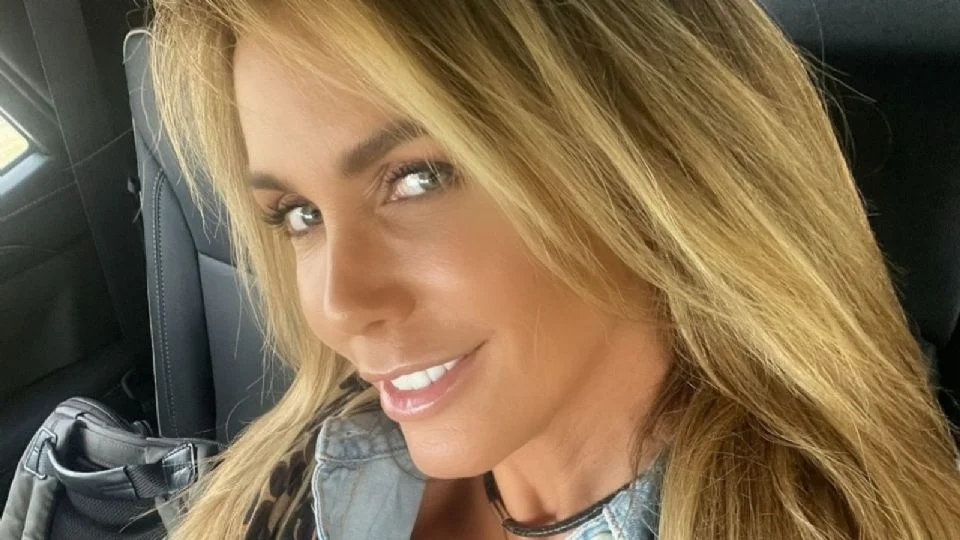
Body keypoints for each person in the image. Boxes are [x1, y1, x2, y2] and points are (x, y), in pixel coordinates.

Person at [149, 1, 960, 538]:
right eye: (299, 214)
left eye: (419, 178)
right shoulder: (293, 470)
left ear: (649, 158)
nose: (340, 305)